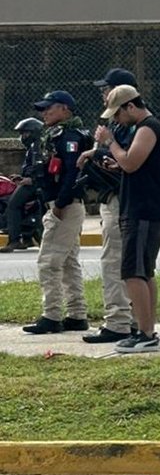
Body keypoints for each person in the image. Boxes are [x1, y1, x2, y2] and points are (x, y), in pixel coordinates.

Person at [95, 84, 160, 353]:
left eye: (118, 113)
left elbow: (130, 162)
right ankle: (146, 329)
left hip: (142, 210)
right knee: (144, 271)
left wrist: (110, 143)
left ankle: (145, 333)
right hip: (142, 208)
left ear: (130, 106)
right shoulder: (144, 128)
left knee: (133, 272)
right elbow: (133, 165)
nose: (116, 120)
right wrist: (118, 163)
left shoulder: (148, 127)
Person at [76, 68, 138, 344]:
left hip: (119, 198)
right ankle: (135, 320)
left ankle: (117, 322)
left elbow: (126, 160)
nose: (103, 95)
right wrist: (96, 151)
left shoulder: (128, 125)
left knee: (114, 262)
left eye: (107, 89)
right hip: (121, 199)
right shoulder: (127, 123)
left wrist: (104, 145)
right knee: (131, 264)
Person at [22, 91, 90, 335]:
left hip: (65, 207)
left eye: (49, 108)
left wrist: (60, 203)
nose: (44, 113)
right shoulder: (56, 135)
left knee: (48, 262)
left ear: (64, 109)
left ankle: (51, 316)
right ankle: (76, 314)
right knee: (69, 262)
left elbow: (72, 172)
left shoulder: (69, 137)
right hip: (63, 205)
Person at [1, 118, 45, 252]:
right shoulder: (34, 146)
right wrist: (22, 177)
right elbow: (32, 167)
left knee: (13, 205)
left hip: (35, 184)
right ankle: (27, 237)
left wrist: (31, 179)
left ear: (34, 132)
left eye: (25, 133)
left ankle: (14, 240)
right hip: (33, 182)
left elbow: (40, 167)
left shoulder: (38, 146)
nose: (23, 136)